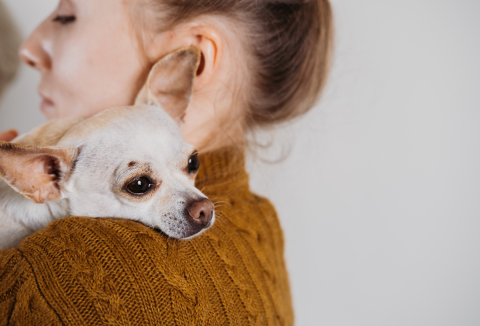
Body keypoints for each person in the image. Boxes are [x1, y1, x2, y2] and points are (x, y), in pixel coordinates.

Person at [0, 0, 333, 324]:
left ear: (197, 59)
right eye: (141, 184)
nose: (26, 48)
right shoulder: (263, 225)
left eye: (65, 16)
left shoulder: (51, 275)